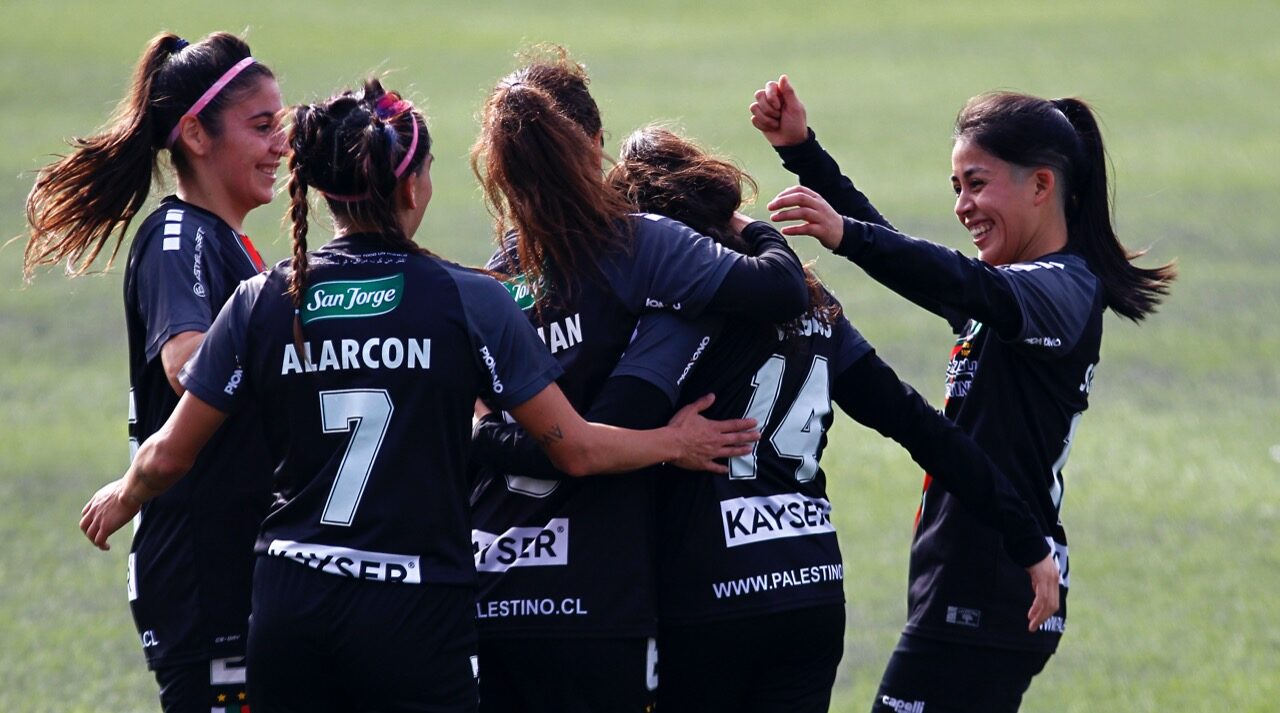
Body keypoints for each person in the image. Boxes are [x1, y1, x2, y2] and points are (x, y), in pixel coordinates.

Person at [79, 79, 759, 713]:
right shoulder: (469, 300)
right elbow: (574, 447)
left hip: (290, 606)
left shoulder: (264, 300)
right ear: (412, 188)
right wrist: (674, 441)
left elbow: (169, 454)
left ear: (321, 190)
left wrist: (124, 496)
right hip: (411, 613)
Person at [753, 75, 1176, 712]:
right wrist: (802, 151)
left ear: (1042, 185)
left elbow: (945, 272)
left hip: (990, 590)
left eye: (977, 184)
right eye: (957, 188)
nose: (962, 207)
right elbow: (903, 251)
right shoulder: (1012, 294)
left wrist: (846, 235)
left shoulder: (1059, 291)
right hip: (971, 587)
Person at [606, 125, 1058, 713]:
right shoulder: (818, 310)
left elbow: (599, 439)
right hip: (811, 595)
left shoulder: (678, 311)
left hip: (708, 598)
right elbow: (922, 427)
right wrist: (1028, 539)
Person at [466, 47, 811, 712]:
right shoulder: (639, 242)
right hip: (594, 597)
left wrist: (482, 427)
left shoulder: (495, 275)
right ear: (593, 146)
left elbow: (484, 428)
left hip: (491, 589)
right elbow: (781, 288)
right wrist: (733, 215)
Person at [24, 31, 281, 710]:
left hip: (243, 568)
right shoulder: (177, 240)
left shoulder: (225, 242)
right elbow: (187, 363)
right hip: (207, 576)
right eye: (262, 126)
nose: (280, 144)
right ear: (196, 135)